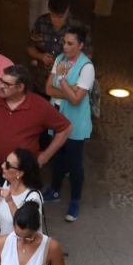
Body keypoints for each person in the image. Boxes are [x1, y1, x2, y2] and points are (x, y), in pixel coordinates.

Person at [0, 65, 69, 192]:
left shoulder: (40, 106)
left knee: (21, 210)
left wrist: (46, 155)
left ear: (20, 87)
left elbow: (65, 128)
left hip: (23, 175)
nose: (1, 86)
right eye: (1, 81)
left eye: (7, 84)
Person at [44, 24, 96, 223]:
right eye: (64, 42)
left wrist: (64, 80)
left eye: (70, 43)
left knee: (74, 162)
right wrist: (69, 90)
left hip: (75, 122)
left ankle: (75, 200)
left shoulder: (87, 67)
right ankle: (55, 190)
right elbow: (48, 88)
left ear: (80, 45)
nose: (64, 47)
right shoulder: (59, 59)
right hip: (56, 115)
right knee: (57, 156)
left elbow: (77, 101)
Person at [26, 0, 82, 90]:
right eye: (53, 16)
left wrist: (67, 64)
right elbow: (30, 47)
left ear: (67, 10)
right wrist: (41, 56)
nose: (56, 20)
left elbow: (86, 57)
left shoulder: (77, 27)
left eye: (60, 17)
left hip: (65, 87)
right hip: (41, 83)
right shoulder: (41, 22)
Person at [0, 149, 45, 242]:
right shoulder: (7, 184)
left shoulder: (33, 198)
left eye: (7, 165)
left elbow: (25, 230)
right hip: (4, 247)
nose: (2, 165)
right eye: (4, 161)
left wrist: (10, 201)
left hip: (20, 251)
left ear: (19, 173)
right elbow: (3, 216)